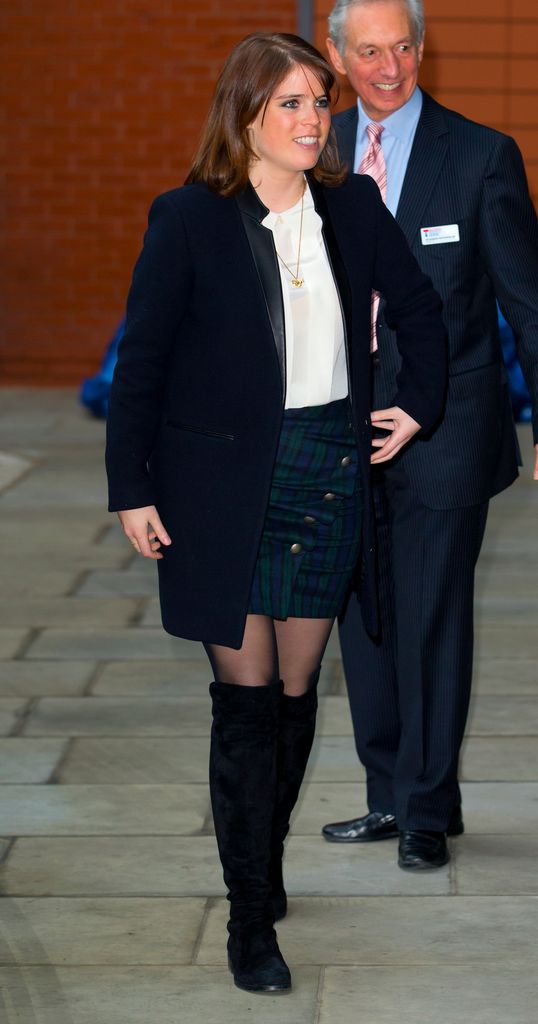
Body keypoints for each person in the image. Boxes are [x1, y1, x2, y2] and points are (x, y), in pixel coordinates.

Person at [105, 32, 446, 994]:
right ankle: (250, 914)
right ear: (246, 114)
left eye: (317, 102)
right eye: (290, 103)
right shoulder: (188, 219)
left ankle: (262, 853)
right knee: (245, 702)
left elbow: (421, 313)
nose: (312, 120)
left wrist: (416, 405)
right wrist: (132, 486)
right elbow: (143, 367)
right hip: (219, 491)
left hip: (326, 472)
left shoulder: (354, 207)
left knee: (295, 696)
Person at [322, 0, 538, 870]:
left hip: (448, 426)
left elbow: (527, 298)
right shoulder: (314, 147)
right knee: (364, 618)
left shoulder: (481, 155)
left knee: (432, 615)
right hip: (341, 424)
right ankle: (386, 794)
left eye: (402, 47)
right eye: (368, 50)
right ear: (339, 58)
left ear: (422, 50)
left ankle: (426, 807)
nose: (387, 66)